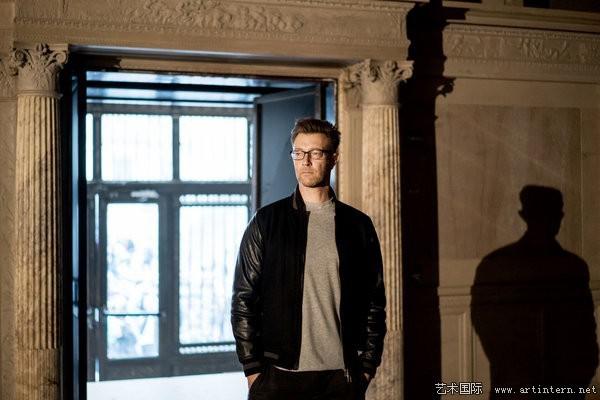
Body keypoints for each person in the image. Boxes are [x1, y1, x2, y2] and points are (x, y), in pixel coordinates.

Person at [231, 118, 387, 400]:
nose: (305, 161)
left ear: (334, 158)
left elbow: (374, 301)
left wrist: (367, 367)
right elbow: (244, 299)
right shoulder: (266, 222)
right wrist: (253, 369)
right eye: (298, 152)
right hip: (279, 375)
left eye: (315, 153)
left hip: (341, 378)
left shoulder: (358, 225)